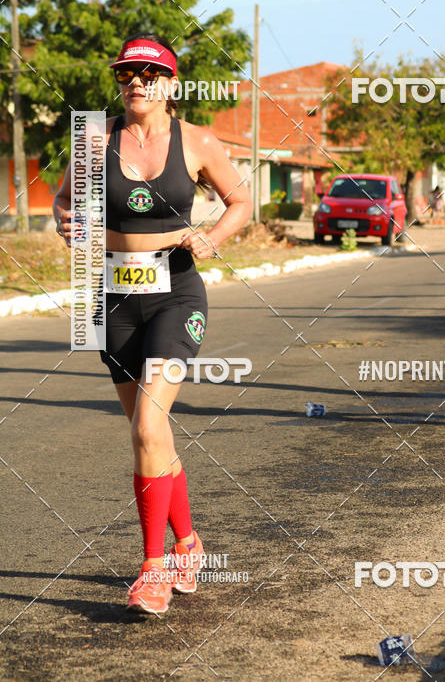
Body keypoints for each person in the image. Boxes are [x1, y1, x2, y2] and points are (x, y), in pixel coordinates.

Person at [53, 34, 252, 614]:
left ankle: (152, 567)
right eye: (125, 74)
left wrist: (211, 237)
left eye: (147, 73)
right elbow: (65, 202)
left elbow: (240, 202)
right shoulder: (94, 140)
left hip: (176, 295)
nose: (135, 82)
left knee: (147, 426)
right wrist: (67, 225)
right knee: (152, 436)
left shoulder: (197, 141)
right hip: (114, 298)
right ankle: (189, 543)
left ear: (170, 83)